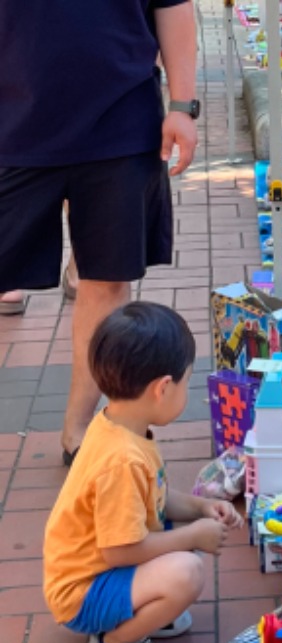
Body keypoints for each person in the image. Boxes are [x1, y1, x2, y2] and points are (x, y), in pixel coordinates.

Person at [0, 2, 199, 464]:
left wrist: (183, 106)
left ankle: (79, 431)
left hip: (121, 123)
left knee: (107, 280)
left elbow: (173, 5)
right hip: (12, 127)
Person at [43, 302, 244, 643]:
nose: (186, 389)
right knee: (187, 571)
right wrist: (192, 536)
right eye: (186, 382)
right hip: (82, 593)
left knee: (185, 542)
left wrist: (202, 508)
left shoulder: (118, 426)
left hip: (95, 571)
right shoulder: (121, 460)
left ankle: (141, 609)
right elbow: (120, 551)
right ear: (162, 388)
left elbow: (157, 499)